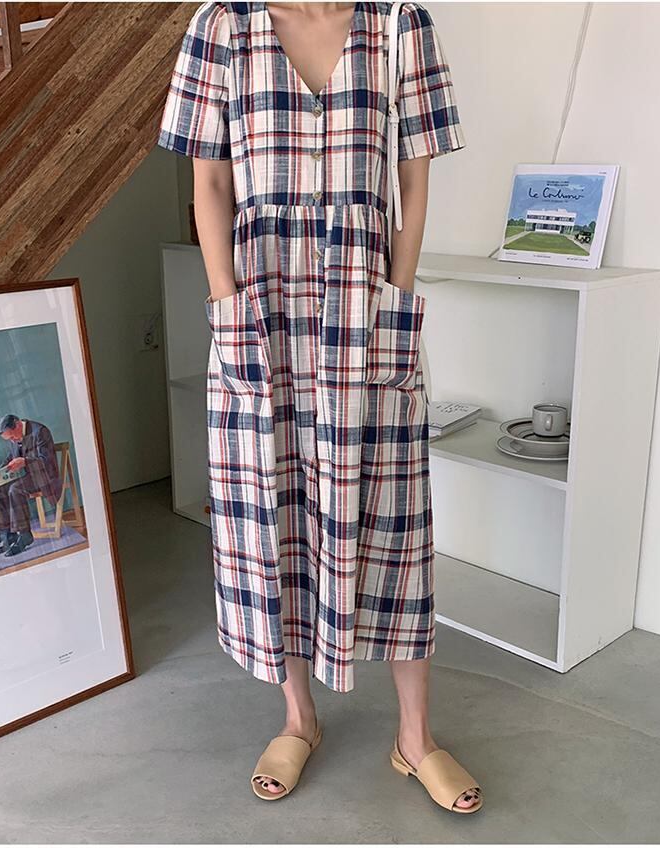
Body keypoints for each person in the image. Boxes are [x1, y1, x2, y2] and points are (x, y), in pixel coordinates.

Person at [159, 1, 482, 813]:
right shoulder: (221, 27)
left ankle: (416, 738)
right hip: (259, 306)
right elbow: (208, 182)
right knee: (276, 515)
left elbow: (413, 181)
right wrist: (228, 308)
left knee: (395, 519)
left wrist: (394, 297)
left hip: (364, 306)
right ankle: (299, 717)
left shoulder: (400, 24)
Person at [0, 414, 62, 557]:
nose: (13, 440)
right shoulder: (15, 436)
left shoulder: (40, 431)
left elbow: (47, 461)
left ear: (18, 424)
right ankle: (9, 534)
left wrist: (25, 461)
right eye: (10, 439)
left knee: (15, 489)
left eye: (12, 437)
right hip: (28, 476)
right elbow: (10, 459)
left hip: (45, 476)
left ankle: (25, 534)